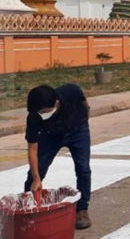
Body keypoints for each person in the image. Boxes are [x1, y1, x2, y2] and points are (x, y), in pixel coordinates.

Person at [25, 84, 92, 229]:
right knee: (36, 171)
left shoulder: (70, 92)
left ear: (56, 103)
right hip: (51, 136)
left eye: (45, 111)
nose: (42, 114)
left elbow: (85, 104)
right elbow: (32, 149)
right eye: (39, 112)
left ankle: (82, 210)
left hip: (77, 130)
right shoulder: (34, 116)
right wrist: (37, 178)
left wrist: (84, 121)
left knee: (83, 169)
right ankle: (27, 210)